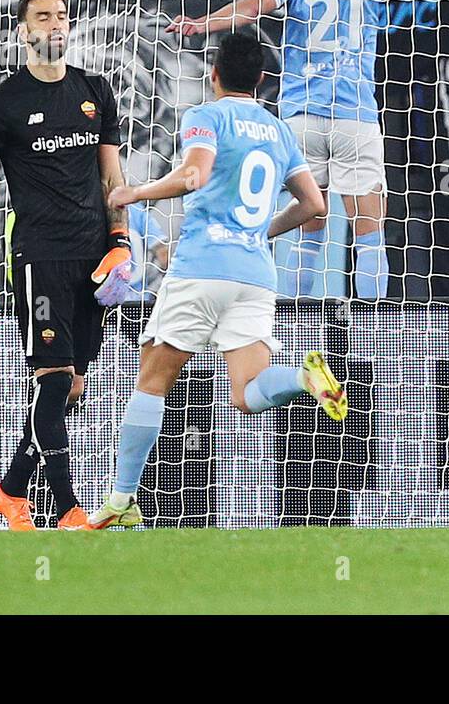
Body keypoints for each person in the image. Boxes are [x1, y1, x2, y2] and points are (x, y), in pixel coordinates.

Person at [87, 33, 344, 530]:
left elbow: (193, 177)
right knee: (247, 393)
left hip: (201, 267)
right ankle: (303, 378)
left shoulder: (206, 117)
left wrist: (133, 192)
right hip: (255, 274)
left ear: (214, 74)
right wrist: (259, 232)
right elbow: (315, 206)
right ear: (264, 79)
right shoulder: (278, 131)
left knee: (153, 380)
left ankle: (120, 500)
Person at [167, 0, 449, 300]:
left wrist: (201, 22)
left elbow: (253, 8)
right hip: (355, 117)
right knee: (369, 229)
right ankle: (371, 339)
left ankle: (296, 327)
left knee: (307, 225)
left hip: (301, 117)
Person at [0, 0, 134, 531]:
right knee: (54, 381)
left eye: (60, 17)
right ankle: (68, 509)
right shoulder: (2, 103)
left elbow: (112, 177)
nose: (54, 25)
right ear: (23, 32)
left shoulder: (95, 91)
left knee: (71, 387)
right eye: (42, 18)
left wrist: (121, 240)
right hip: (39, 255)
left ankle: (9, 491)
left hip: (94, 257)